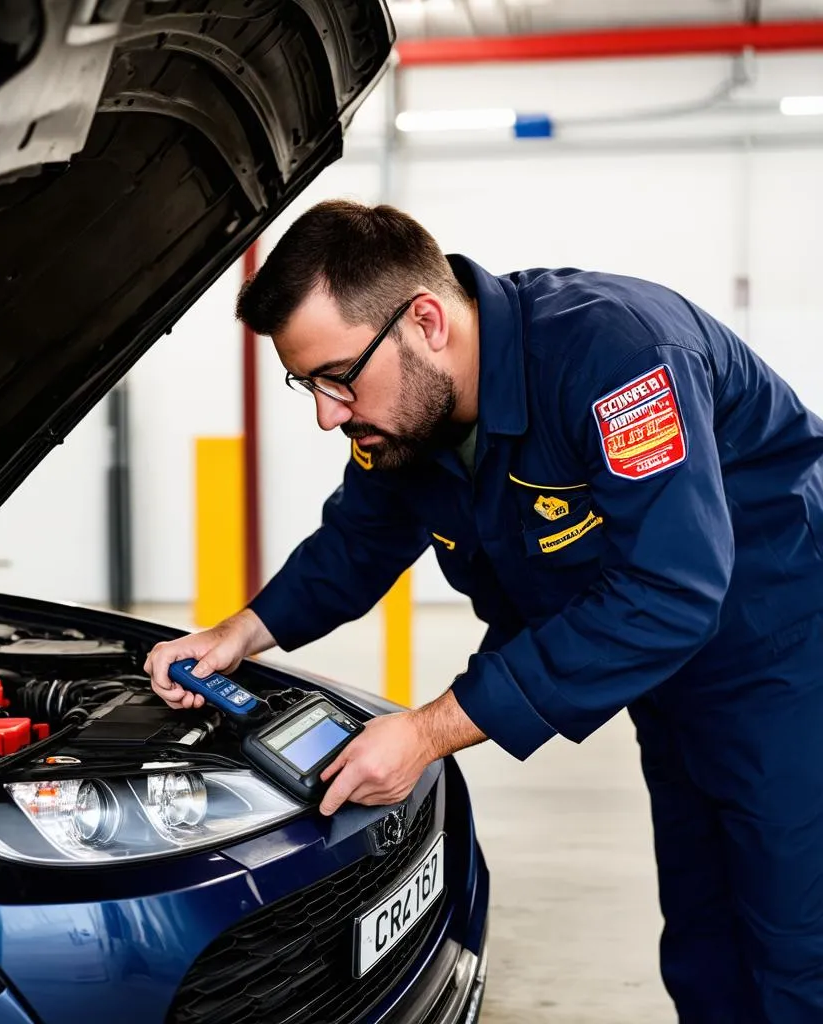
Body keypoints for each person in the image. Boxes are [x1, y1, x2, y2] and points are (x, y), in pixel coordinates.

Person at [143, 200, 823, 1021]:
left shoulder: (618, 356)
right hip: (668, 677)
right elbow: (360, 540)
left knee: (798, 944)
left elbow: (670, 589)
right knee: (705, 937)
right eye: (307, 384)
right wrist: (237, 633)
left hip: (789, 657)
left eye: (337, 377)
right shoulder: (404, 418)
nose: (327, 412)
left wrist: (428, 730)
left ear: (425, 321)